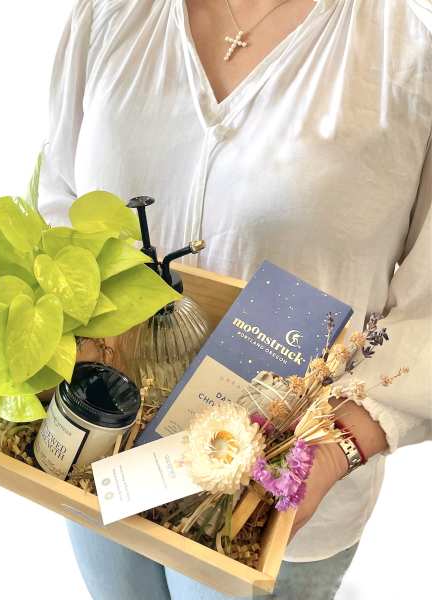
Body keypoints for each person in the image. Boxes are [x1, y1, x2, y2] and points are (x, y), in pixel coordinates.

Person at [37, 1, 432, 598]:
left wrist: (338, 447)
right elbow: (61, 199)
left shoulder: (409, 43)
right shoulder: (112, 13)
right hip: (100, 446)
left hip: (272, 495)